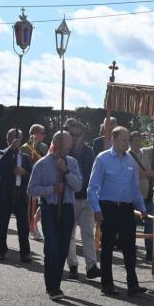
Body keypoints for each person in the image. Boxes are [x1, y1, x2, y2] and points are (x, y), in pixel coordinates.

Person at [88, 126, 147, 296]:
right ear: (113, 140)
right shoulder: (102, 159)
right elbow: (92, 188)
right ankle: (107, 285)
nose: (126, 143)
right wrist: (97, 209)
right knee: (107, 247)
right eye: (123, 140)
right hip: (108, 207)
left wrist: (142, 208)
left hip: (127, 208)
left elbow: (135, 188)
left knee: (130, 247)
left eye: (127, 140)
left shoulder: (130, 160)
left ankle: (132, 285)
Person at [28, 130, 83, 301]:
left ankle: (57, 282)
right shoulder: (42, 164)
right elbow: (31, 189)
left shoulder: (72, 163)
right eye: (68, 142)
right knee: (52, 246)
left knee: (63, 248)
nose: (71, 145)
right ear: (58, 143)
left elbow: (78, 186)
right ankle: (52, 286)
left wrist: (65, 172)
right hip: (49, 209)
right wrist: (52, 189)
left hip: (66, 208)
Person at [63, 118, 99, 280]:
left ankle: (91, 266)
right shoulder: (63, 152)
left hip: (87, 197)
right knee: (69, 234)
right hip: (70, 198)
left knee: (88, 233)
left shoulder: (89, 152)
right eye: (72, 134)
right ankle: (73, 266)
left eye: (78, 134)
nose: (75, 137)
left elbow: (92, 176)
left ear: (83, 135)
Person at [0, 129, 33, 262]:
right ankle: (1, 250)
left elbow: (31, 176)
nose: (15, 140)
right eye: (12, 137)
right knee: (3, 224)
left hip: (20, 195)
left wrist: (24, 173)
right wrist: (11, 149)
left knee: (23, 225)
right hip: (5, 194)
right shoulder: (2, 153)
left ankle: (25, 253)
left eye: (17, 138)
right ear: (8, 139)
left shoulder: (25, 157)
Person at [128, 130, 154, 261]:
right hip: (133, 197)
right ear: (130, 142)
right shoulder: (127, 156)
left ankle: (149, 251)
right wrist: (147, 173)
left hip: (147, 195)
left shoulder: (146, 153)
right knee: (131, 225)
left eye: (139, 140)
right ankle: (131, 249)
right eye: (135, 140)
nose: (138, 143)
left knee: (149, 224)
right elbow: (132, 174)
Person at [23, 124, 48, 241]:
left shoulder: (44, 147)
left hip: (42, 179)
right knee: (31, 205)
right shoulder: (24, 147)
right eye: (41, 133)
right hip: (30, 180)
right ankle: (31, 228)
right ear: (34, 134)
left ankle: (34, 225)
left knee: (41, 205)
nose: (44, 135)